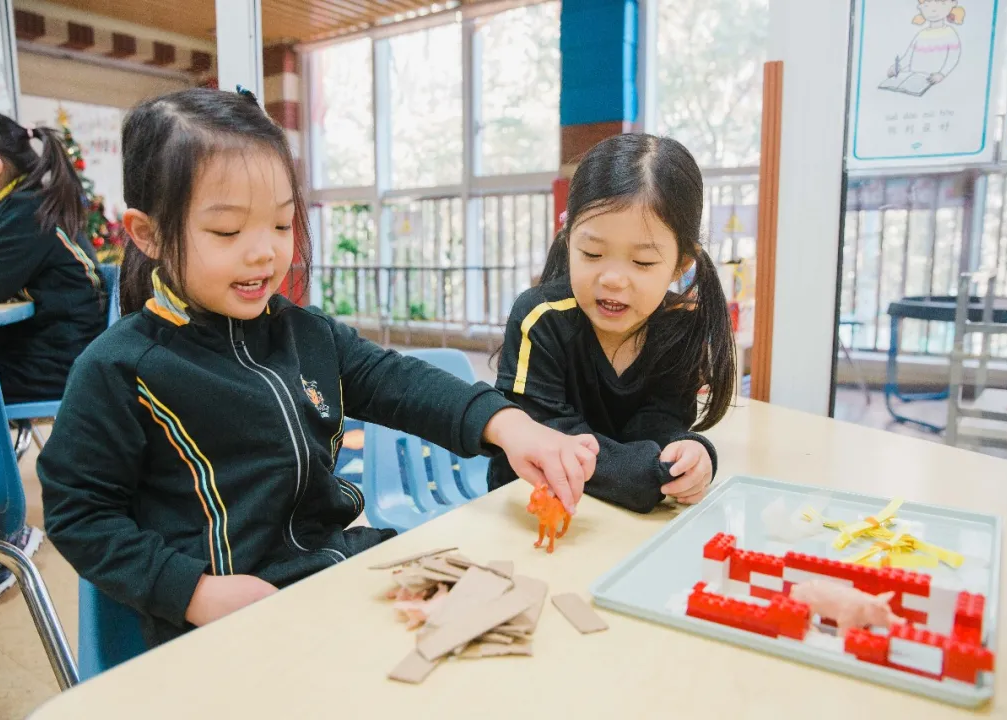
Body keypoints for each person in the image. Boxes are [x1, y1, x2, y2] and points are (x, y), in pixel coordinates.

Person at [37, 87, 597, 648]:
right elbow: (78, 512)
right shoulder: (120, 368)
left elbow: (398, 381)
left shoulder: (305, 333)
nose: (264, 252)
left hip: (334, 571)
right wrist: (192, 591)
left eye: (282, 225)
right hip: (228, 617)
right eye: (228, 231)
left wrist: (508, 424)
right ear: (148, 234)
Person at [487, 133, 736, 514]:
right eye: (592, 253)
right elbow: (548, 436)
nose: (614, 279)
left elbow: (660, 426)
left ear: (681, 264)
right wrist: (646, 475)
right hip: (530, 510)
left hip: (620, 518)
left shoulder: (680, 327)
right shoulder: (540, 318)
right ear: (569, 241)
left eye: (642, 262)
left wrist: (688, 455)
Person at [0, 108, 106, 600]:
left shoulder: (23, 210)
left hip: (60, 360)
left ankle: (1, 532)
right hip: (64, 348)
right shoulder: (26, 203)